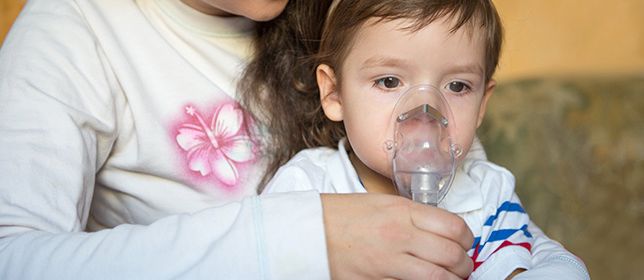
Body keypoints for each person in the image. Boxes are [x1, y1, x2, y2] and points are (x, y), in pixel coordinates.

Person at [0, 0, 475, 279]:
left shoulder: (355, 12)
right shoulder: (78, 26)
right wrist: (307, 239)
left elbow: (466, 186)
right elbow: (12, 259)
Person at [257, 0, 591, 279]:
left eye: (457, 86)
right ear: (334, 93)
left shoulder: (489, 195)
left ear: (481, 106)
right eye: (389, 81)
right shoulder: (307, 188)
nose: (424, 112)